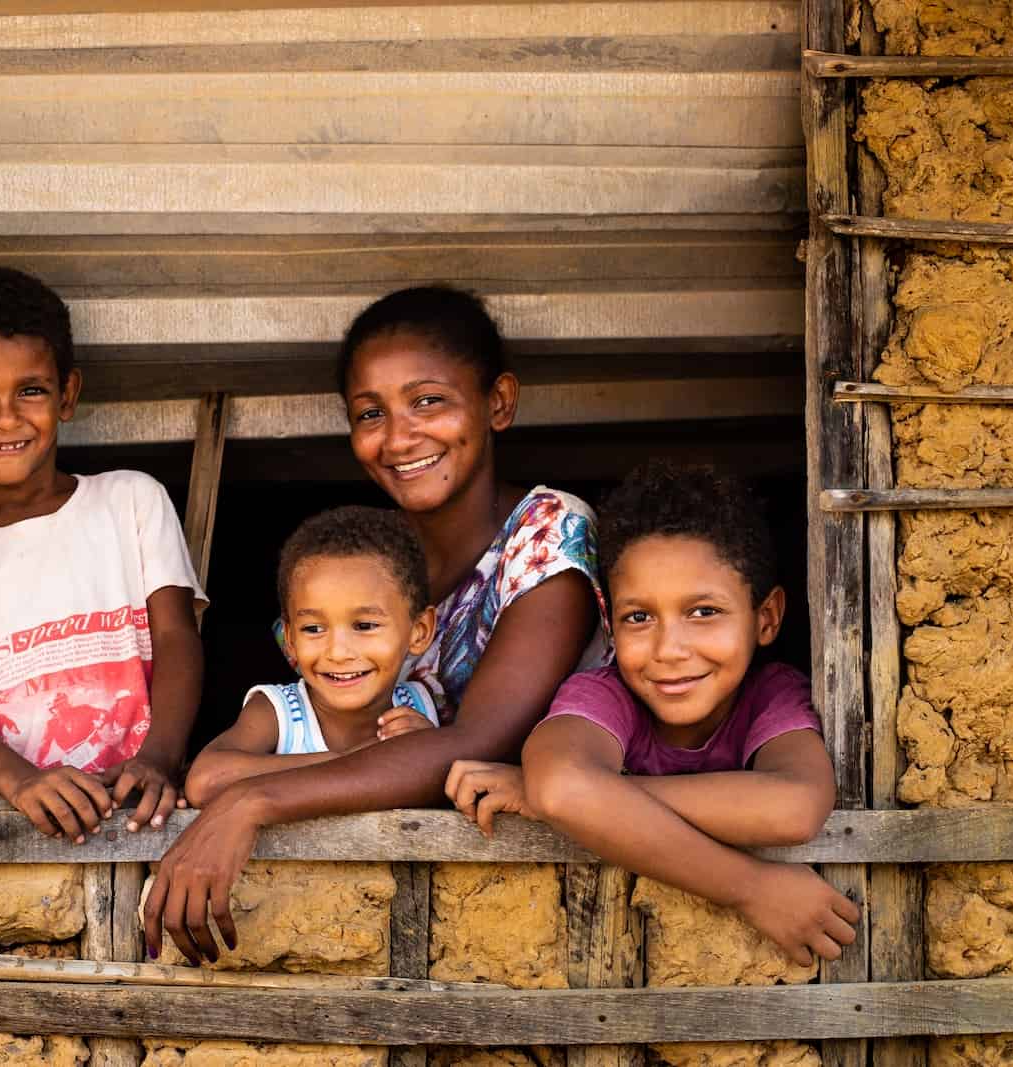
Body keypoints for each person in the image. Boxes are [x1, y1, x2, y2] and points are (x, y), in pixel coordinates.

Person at [144, 285, 610, 963]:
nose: (398, 436)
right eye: (370, 412)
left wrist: (250, 802)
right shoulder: (373, 563)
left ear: (498, 403)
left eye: (428, 401)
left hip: (531, 914)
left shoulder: (550, 535)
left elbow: (470, 745)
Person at [446, 462, 859, 965]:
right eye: (639, 617)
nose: (669, 649)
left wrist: (578, 800)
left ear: (766, 618)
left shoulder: (771, 696)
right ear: (611, 627)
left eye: (704, 612)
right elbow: (565, 789)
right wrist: (752, 888)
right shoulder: (603, 694)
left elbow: (794, 808)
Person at [0, 266, 206, 842]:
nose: (5, 417)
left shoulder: (131, 501)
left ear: (67, 394)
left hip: (140, 813)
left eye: (30, 389)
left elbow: (178, 640)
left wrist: (159, 758)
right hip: (1, 827)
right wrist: (21, 781)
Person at [185, 506, 439, 806]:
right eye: (314, 628)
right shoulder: (279, 712)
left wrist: (431, 751)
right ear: (290, 640)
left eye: (365, 626)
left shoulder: (421, 705)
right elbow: (205, 781)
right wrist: (352, 760)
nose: (338, 652)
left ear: (419, 632)